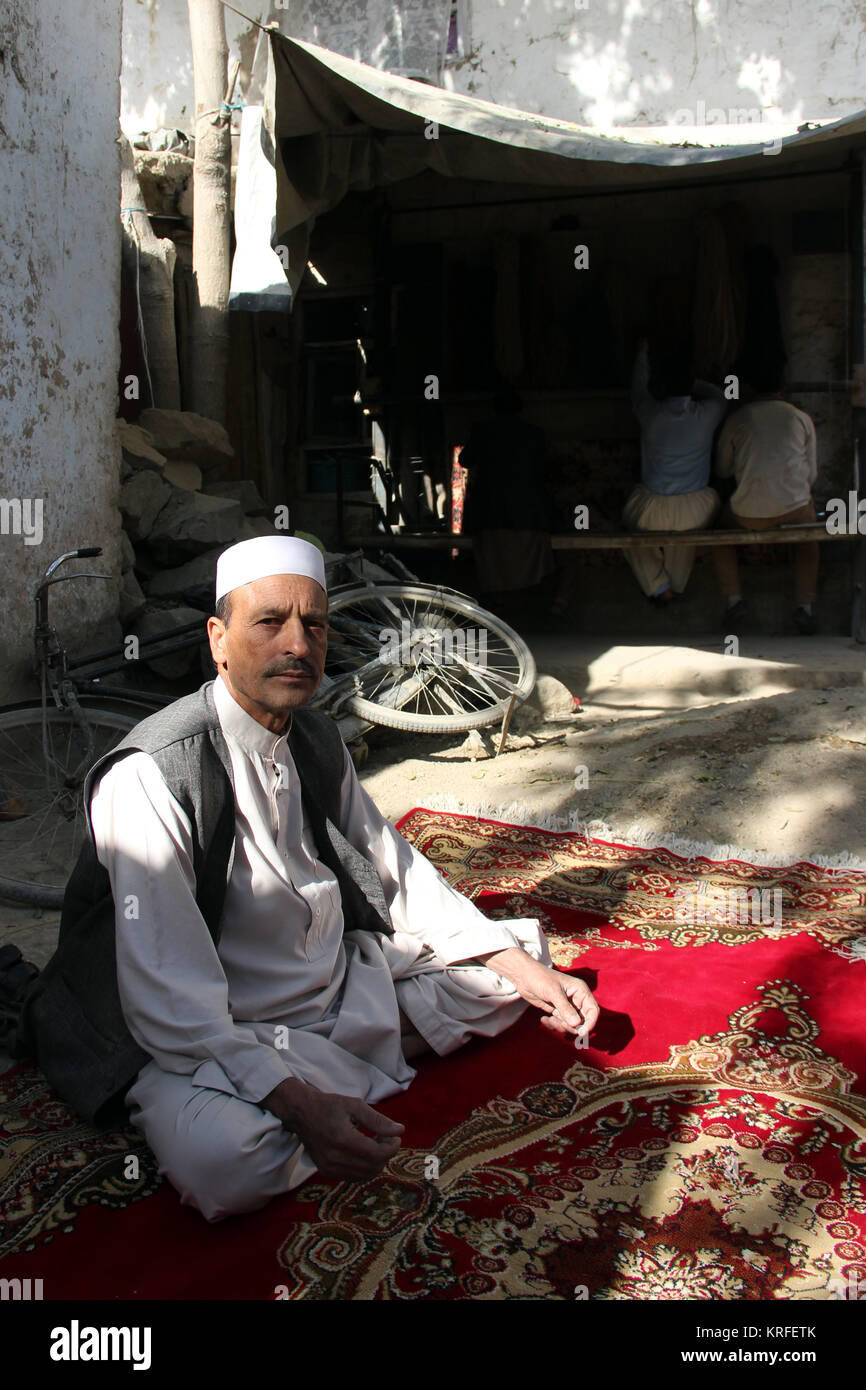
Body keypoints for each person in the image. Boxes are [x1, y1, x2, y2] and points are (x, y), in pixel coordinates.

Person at [21, 536, 598, 1222]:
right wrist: (293, 1103)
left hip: (334, 988)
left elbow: (396, 870)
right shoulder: (152, 775)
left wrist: (506, 959)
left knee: (521, 969)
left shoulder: (315, 737)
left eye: (315, 624)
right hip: (213, 1030)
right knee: (226, 1163)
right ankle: (332, 1080)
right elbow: (168, 993)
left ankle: (343, 1068)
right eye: (269, 622)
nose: (298, 644)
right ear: (219, 639)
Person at [712, 370, 819, 634]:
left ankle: (734, 600)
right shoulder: (800, 418)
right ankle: (805, 607)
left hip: (748, 514)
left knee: (717, 532)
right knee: (810, 540)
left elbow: (722, 470)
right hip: (796, 509)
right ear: (783, 389)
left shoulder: (737, 418)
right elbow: (812, 475)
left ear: (748, 389)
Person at [623, 341, 726, 603]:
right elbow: (721, 394)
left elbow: (638, 387)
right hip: (696, 508)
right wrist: (696, 384)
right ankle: (677, 584)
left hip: (651, 509)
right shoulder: (709, 412)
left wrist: (642, 353)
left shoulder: (649, 412)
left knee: (628, 532)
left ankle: (659, 587)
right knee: (687, 532)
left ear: (663, 388)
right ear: (691, 388)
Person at [459, 384, 556, 618]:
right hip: (527, 514)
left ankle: (501, 604)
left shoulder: (482, 431)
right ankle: (522, 604)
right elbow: (545, 472)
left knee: (492, 560)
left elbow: (465, 460)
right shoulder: (535, 434)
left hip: (491, 512)